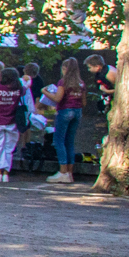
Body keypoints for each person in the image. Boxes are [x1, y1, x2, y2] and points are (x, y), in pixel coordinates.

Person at [41, 56, 86, 184]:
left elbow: (57, 99)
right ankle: (70, 173)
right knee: (69, 141)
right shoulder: (81, 83)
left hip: (65, 111)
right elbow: (84, 102)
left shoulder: (63, 82)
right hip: (77, 111)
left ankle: (62, 171)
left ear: (65, 68)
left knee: (58, 140)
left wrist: (44, 92)